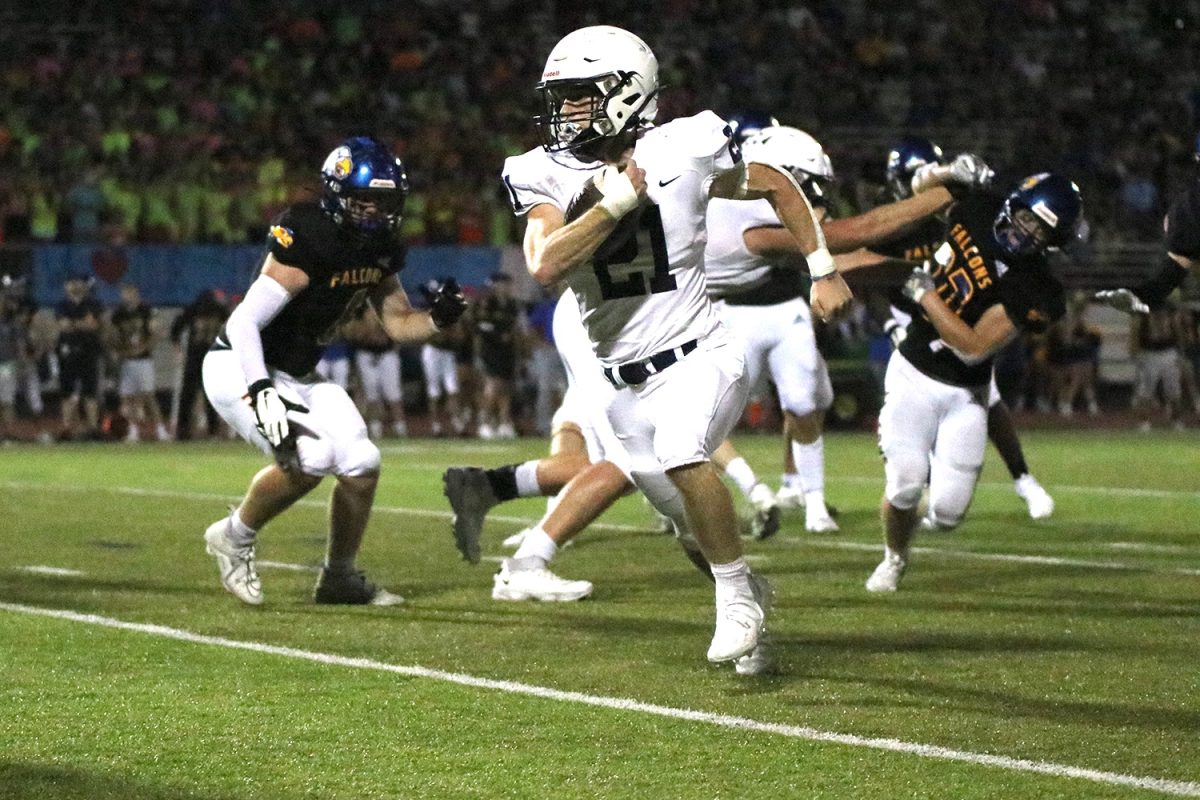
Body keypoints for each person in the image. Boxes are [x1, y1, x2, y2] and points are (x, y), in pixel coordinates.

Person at [501, 25, 852, 663]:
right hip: (619, 382)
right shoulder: (541, 171)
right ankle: (750, 601)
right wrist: (611, 206)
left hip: (701, 351)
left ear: (625, 94)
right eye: (561, 96)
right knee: (690, 526)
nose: (565, 111)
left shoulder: (684, 146)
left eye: (579, 95)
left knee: (685, 452)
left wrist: (822, 266)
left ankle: (737, 599)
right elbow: (545, 265)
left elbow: (776, 182)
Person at [201, 136, 466, 606]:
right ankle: (233, 535)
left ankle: (338, 577)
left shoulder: (381, 247)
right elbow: (244, 321)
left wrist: (438, 319)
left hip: (299, 374)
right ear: (338, 195)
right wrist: (260, 387)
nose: (376, 213)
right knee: (311, 460)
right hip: (240, 362)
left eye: (385, 202)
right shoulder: (310, 234)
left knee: (363, 463)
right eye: (365, 201)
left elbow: (399, 323)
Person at [866, 173, 1083, 593]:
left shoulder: (1038, 289)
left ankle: (913, 515)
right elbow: (920, 191)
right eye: (1026, 217)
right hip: (913, 371)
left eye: (1042, 229)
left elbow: (973, 347)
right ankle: (894, 558)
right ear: (1013, 203)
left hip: (968, 392)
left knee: (946, 515)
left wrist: (925, 294)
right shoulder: (979, 206)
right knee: (906, 483)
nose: (1027, 231)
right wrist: (949, 172)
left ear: (1054, 241)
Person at [841, 136, 1055, 521]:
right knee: (914, 410)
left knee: (987, 397)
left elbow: (933, 185)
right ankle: (913, 477)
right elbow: (877, 270)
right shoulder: (896, 221)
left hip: (954, 311)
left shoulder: (962, 212)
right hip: (911, 314)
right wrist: (891, 321)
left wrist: (952, 172)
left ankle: (1021, 477)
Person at [109, 283, 170, 442]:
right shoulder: (119, 314)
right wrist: (117, 351)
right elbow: (113, 334)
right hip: (126, 360)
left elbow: (156, 331)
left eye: (129, 292)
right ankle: (133, 430)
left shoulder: (146, 311)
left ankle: (161, 430)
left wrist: (145, 347)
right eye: (124, 293)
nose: (127, 296)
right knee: (127, 398)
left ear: (136, 293)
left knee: (149, 396)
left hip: (143, 360)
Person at [470, 271, 525, 439]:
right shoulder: (486, 303)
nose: (505, 288)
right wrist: (499, 333)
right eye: (502, 284)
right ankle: (485, 422)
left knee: (506, 387)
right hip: (489, 350)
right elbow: (479, 326)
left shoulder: (512, 305)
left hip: (507, 351)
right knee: (492, 386)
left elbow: (516, 327)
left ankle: (504, 422)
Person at [170, 289, 229, 440]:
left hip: (201, 358)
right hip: (206, 358)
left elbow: (175, 330)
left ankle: (184, 431)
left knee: (190, 396)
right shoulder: (217, 311)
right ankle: (210, 431)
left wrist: (178, 351)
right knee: (203, 396)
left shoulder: (194, 309)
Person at [342, 304, 408, 438]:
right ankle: (376, 430)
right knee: (372, 394)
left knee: (393, 394)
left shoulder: (388, 311)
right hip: (366, 354)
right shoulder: (359, 312)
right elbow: (353, 334)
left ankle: (401, 429)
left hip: (387, 354)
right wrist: (368, 330)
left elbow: (396, 334)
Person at [54, 273, 104, 440]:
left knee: (90, 391)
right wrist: (82, 323)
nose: (73, 286)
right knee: (67, 392)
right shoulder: (61, 305)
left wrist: (74, 323)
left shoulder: (93, 303)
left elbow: (94, 324)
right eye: (70, 283)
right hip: (67, 352)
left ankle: (93, 429)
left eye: (76, 282)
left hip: (89, 350)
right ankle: (67, 429)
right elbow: (63, 326)